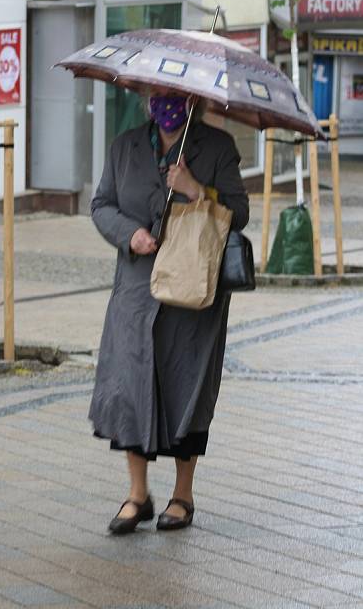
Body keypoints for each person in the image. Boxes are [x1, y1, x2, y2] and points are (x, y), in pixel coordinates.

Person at [90, 94, 249, 535]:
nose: (167, 104)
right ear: (146, 98)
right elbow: (101, 204)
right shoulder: (124, 147)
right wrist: (130, 235)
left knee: (186, 387)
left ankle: (183, 495)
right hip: (137, 291)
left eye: (176, 97)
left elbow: (239, 213)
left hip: (194, 291)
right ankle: (138, 496)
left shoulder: (218, 147)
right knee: (130, 387)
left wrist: (197, 189)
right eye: (158, 96)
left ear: (192, 100)